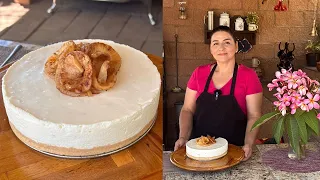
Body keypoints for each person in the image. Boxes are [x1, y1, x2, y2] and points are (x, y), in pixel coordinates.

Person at [174, 26, 263, 161]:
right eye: (215, 43)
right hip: (200, 152)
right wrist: (183, 137)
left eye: (227, 42)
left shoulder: (249, 76)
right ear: (210, 48)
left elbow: (254, 115)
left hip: (236, 153)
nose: (221, 48)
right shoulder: (199, 73)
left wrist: (248, 144)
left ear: (236, 46)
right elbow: (187, 110)